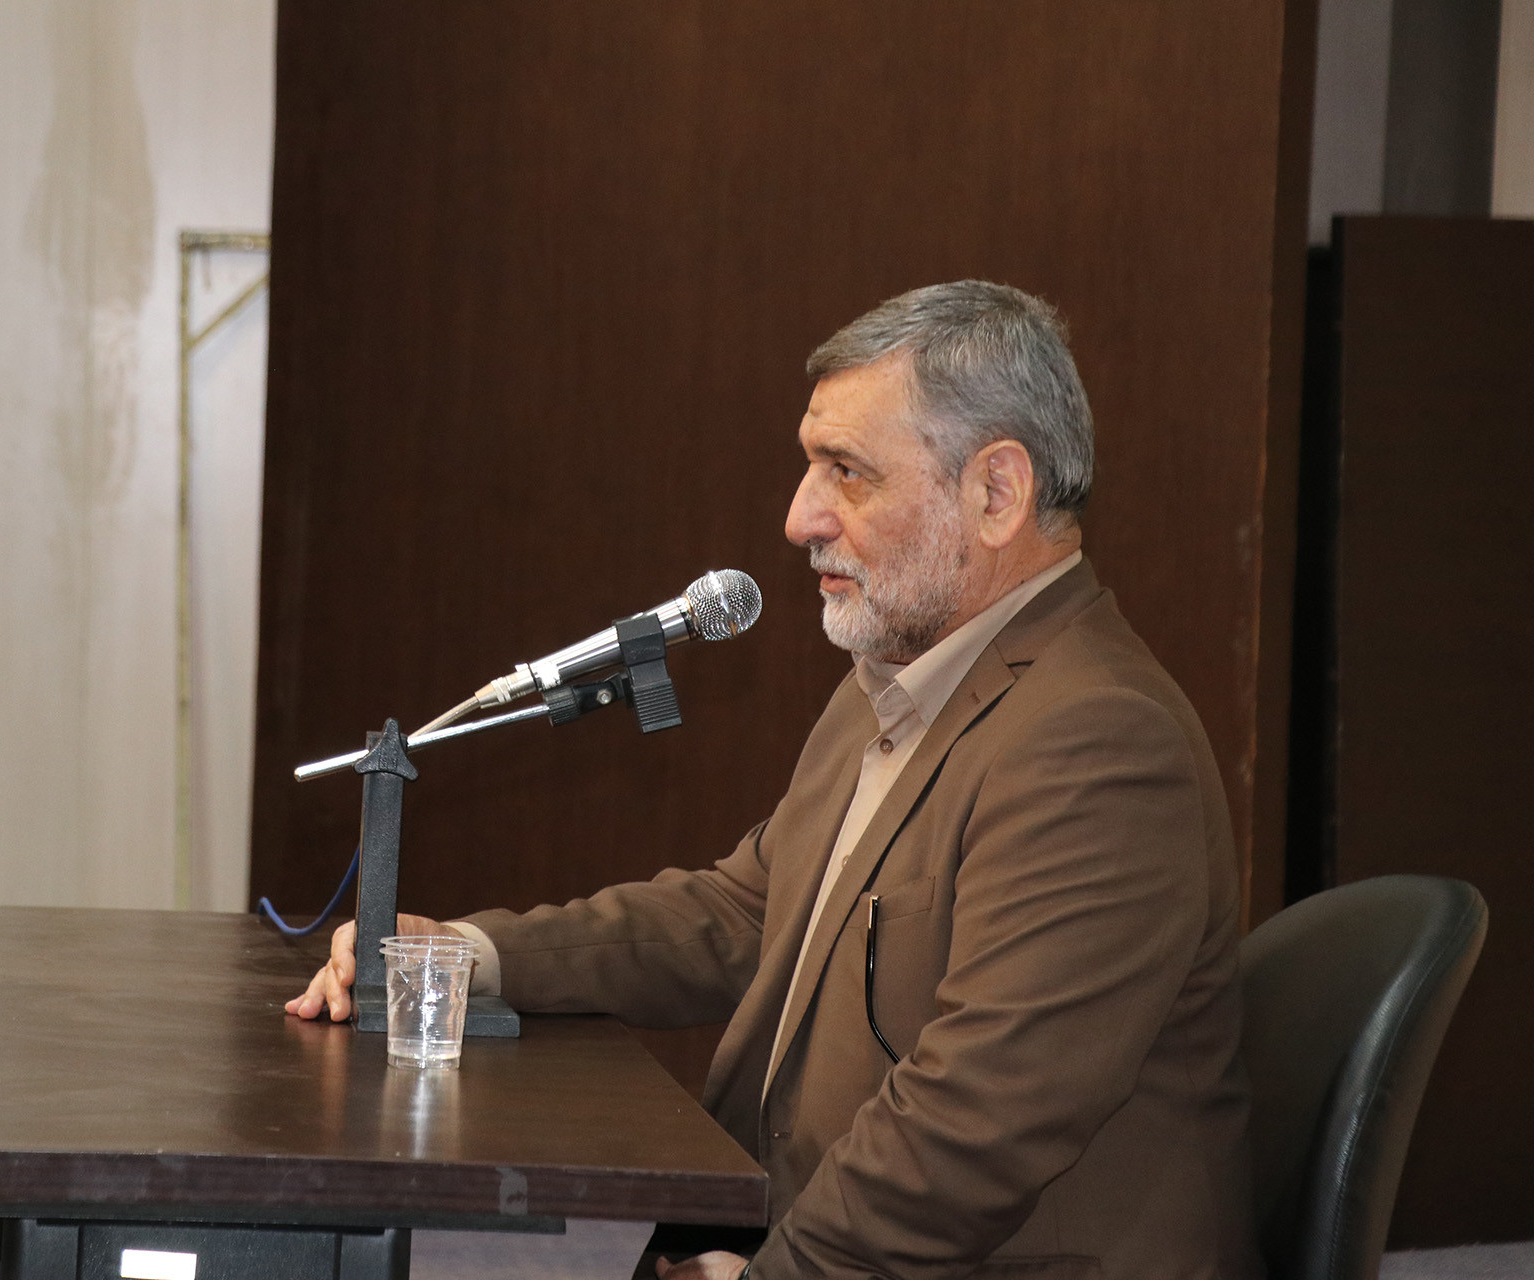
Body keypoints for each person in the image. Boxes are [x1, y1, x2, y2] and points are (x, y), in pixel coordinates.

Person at [288, 281, 1261, 1280]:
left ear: (996, 493)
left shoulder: (1098, 739)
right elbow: (744, 911)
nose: (800, 518)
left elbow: (976, 1126)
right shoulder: (894, 685)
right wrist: (470, 955)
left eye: (848, 472)